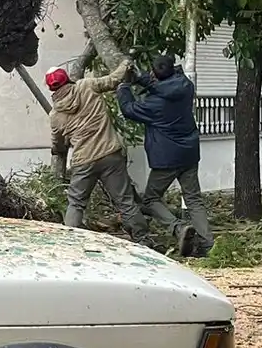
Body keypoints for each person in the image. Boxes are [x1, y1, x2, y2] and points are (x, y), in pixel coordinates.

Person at [117, 53, 212, 256]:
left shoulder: (154, 105)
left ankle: (177, 228)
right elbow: (162, 85)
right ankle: (207, 244)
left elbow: (128, 109)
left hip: (166, 157)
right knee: (194, 199)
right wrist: (145, 79)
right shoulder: (186, 86)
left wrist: (124, 87)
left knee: (151, 199)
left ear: (154, 74)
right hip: (189, 153)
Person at [48, 60, 147, 240]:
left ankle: (71, 240)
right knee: (125, 201)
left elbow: (58, 143)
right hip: (110, 154)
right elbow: (112, 80)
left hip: (83, 161)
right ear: (68, 79)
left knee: (76, 204)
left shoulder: (55, 115)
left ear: (51, 89)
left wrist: (57, 150)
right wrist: (124, 65)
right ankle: (143, 239)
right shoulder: (87, 85)